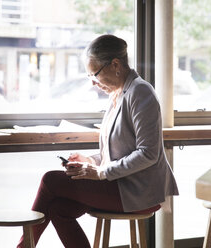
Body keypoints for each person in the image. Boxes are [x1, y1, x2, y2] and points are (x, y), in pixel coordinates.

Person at [17, 34, 179, 248]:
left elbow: (148, 153)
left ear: (115, 65)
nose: (93, 83)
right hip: (120, 184)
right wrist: (91, 161)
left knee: (50, 180)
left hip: (138, 191)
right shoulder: (118, 94)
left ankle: (22, 247)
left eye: (95, 74)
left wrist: (101, 172)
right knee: (58, 208)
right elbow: (117, 152)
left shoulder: (140, 92)